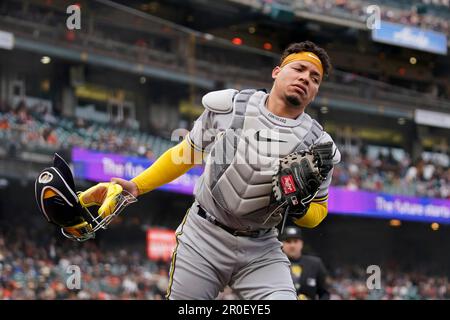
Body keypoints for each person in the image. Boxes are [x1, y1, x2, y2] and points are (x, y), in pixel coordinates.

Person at [79, 40, 341, 300]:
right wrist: (137, 185)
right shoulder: (230, 106)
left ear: (316, 90)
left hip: (262, 248)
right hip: (204, 235)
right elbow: (185, 155)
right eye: (299, 69)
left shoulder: (318, 146)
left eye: (315, 78)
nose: (306, 78)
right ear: (277, 71)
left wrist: (299, 205)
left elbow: (319, 211)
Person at [280, 226, 330, 300]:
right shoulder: (276, 265)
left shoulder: (315, 264)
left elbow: (324, 293)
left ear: (301, 243)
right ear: (282, 244)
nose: (292, 245)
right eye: (288, 241)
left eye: (295, 241)